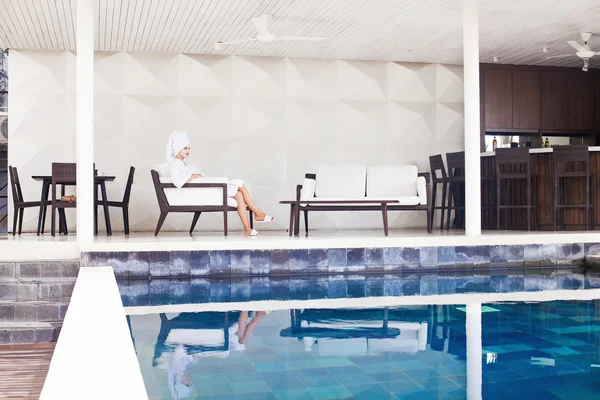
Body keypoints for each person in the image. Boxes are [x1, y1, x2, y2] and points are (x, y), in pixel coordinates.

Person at [166, 131, 274, 236]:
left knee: (239, 194)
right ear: (177, 148)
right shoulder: (175, 165)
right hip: (204, 192)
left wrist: (195, 176)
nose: (188, 151)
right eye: (185, 148)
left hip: (206, 189)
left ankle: (247, 228)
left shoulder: (184, 164)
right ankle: (258, 213)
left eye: (189, 148)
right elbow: (177, 181)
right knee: (240, 185)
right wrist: (193, 176)